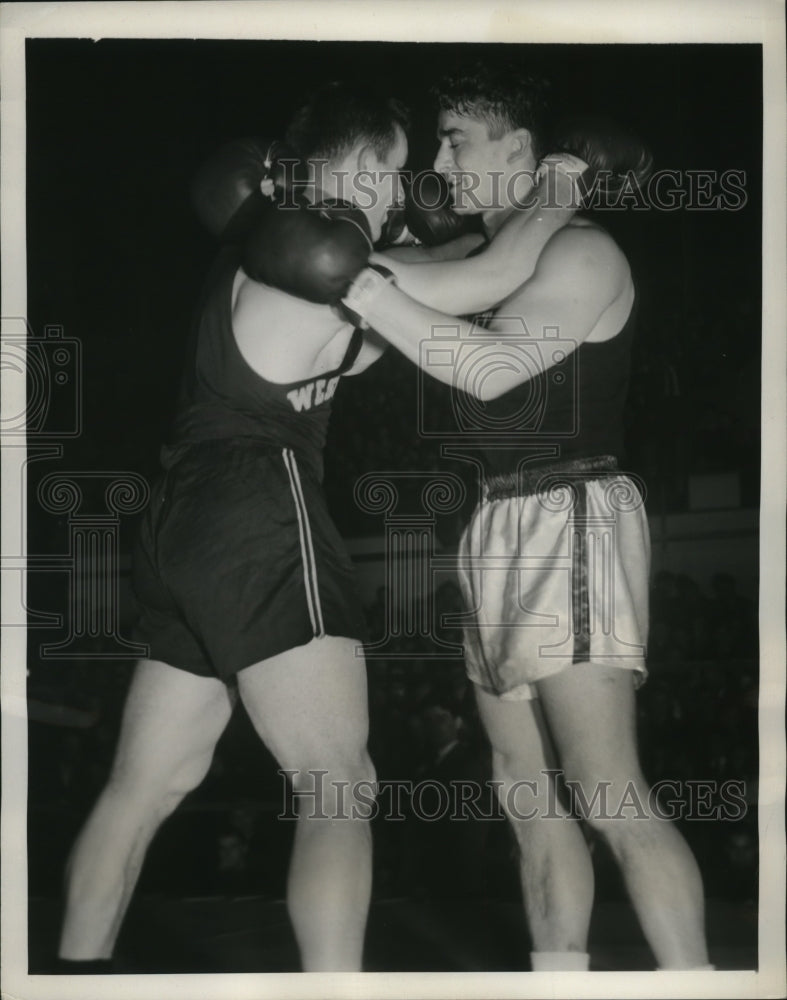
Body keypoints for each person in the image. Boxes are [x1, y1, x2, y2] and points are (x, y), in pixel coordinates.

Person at [56, 80, 575, 974]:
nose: (405, 189)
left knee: (147, 784)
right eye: (399, 172)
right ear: (367, 164)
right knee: (339, 785)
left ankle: (71, 973)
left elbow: (389, 323)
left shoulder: (276, 247)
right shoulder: (322, 248)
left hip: (184, 522)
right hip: (260, 501)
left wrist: (437, 241)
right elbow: (486, 281)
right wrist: (556, 196)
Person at [338, 63, 712, 972]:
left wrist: (368, 291)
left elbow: (496, 369)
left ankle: (698, 986)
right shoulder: (478, 257)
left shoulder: (584, 251)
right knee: (523, 794)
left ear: (521, 149)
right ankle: (560, 981)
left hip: (568, 509)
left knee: (604, 787)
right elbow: (372, 282)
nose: (439, 158)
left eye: (455, 138)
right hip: (493, 523)